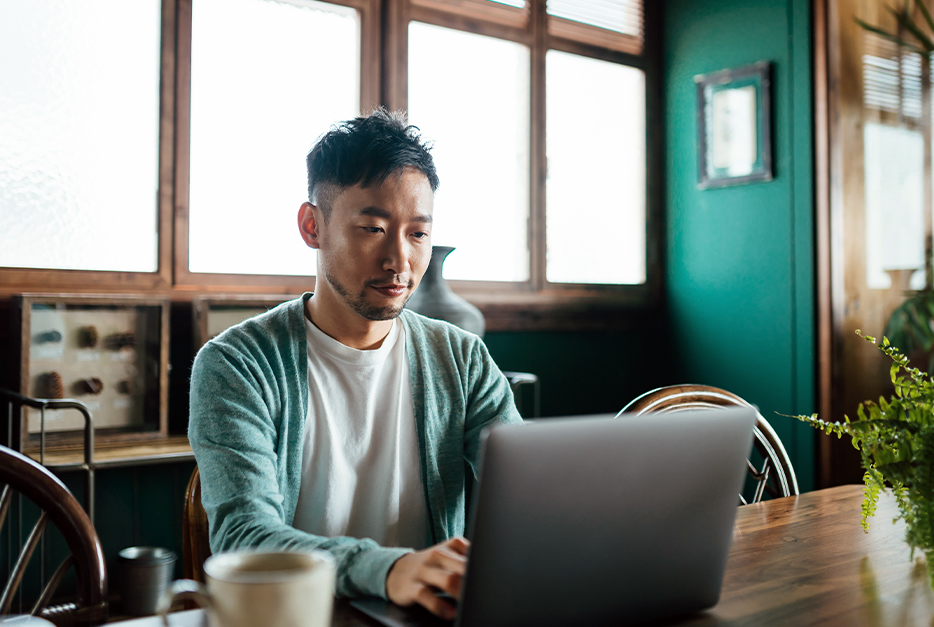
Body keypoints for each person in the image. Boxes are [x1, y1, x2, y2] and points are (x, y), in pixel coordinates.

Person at [188, 109, 522, 620]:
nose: (400, 261)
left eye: (417, 234)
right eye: (372, 228)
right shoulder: (236, 365)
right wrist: (389, 570)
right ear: (312, 225)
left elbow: (527, 491)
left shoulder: (460, 357)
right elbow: (245, 535)